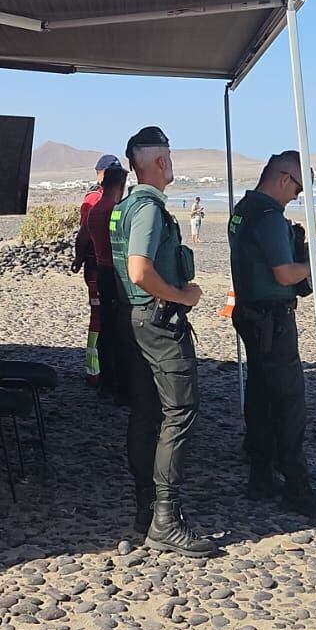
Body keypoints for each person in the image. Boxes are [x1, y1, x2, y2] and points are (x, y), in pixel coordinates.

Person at [110, 125, 214, 557]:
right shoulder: (149, 208)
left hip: (135, 320)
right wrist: (183, 296)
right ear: (160, 161)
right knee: (180, 412)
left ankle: (146, 507)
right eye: (169, 155)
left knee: (146, 411)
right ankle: (165, 520)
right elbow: (140, 271)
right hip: (157, 321)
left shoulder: (127, 205)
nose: (173, 163)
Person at [227, 151, 316, 521]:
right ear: (284, 177)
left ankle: (261, 474)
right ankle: (296, 485)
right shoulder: (269, 216)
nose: (296, 197)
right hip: (271, 317)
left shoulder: (243, 209)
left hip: (250, 312)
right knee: (289, 401)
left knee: (259, 393)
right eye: (298, 189)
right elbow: (286, 274)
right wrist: (314, 265)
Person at [73, 155, 124, 386]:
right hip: (99, 266)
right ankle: (95, 371)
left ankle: (101, 369)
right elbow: (84, 234)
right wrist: (80, 256)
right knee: (100, 318)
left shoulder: (100, 200)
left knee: (105, 317)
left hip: (99, 265)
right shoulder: (96, 200)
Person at [83, 165, 130, 403]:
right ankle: (116, 380)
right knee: (118, 328)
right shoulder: (114, 211)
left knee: (106, 326)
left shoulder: (95, 210)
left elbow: (84, 239)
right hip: (114, 273)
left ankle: (107, 380)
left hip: (102, 269)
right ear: (120, 185)